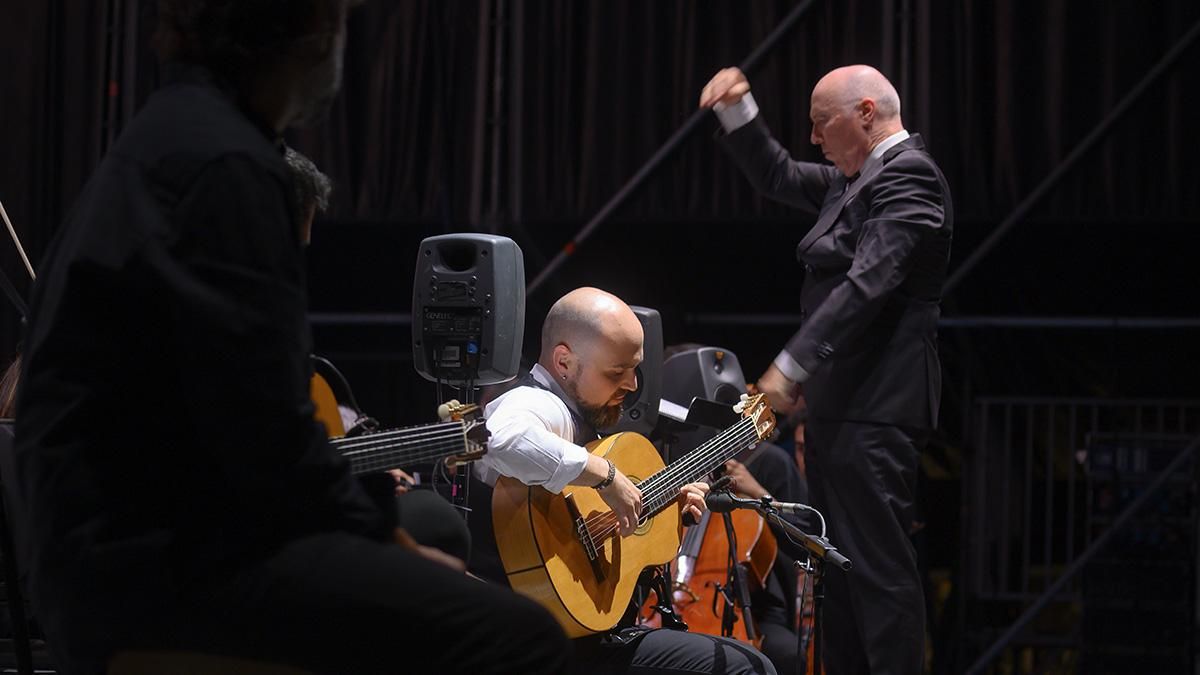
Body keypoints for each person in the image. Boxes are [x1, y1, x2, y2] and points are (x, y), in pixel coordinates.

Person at [13, 2, 568, 673]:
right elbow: (265, 439)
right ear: (301, 34)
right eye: (336, 22)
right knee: (520, 636)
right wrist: (385, 541)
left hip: (103, 557)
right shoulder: (229, 165)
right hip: (153, 575)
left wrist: (382, 531)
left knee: (426, 533)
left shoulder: (166, 135)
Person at [700, 65, 953, 675]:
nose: (813, 137)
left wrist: (788, 367)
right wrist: (738, 109)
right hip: (844, 405)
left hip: (879, 404)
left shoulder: (909, 177)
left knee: (879, 570)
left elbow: (868, 285)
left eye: (821, 122)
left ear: (865, 113)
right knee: (835, 566)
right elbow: (777, 173)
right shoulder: (853, 180)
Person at [468, 287, 777, 675]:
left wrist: (664, 506)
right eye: (616, 372)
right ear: (563, 362)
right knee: (746, 667)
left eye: (635, 369)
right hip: (531, 641)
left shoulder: (583, 423)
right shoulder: (535, 403)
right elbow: (499, 438)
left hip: (578, 628)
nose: (632, 385)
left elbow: (599, 528)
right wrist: (607, 476)